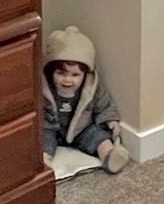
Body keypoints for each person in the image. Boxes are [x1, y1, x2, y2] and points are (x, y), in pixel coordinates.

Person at [42, 25, 129, 173]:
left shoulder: (91, 88)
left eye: (75, 75)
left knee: (98, 135)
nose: (67, 80)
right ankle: (43, 163)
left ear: (85, 75)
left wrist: (110, 120)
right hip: (51, 128)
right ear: (51, 71)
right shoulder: (44, 87)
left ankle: (109, 155)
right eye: (61, 73)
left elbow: (103, 103)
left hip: (80, 128)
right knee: (44, 140)